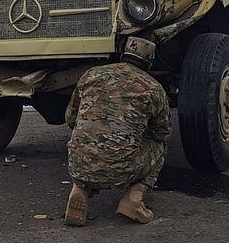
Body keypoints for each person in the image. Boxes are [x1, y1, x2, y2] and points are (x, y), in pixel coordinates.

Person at [64, 37, 171, 227]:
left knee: (84, 144)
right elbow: (162, 133)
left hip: (79, 164)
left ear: (123, 55)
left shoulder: (91, 74)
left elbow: (71, 119)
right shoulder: (153, 88)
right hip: (123, 169)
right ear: (149, 63)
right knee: (159, 148)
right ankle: (133, 200)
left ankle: (79, 191)